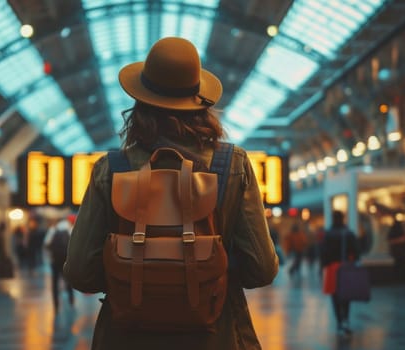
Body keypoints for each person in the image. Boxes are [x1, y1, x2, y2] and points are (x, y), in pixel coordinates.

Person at [62, 37, 279, 350]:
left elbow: (81, 271)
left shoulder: (110, 169)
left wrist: (131, 272)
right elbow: (262, 268)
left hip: (125, 337)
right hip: (215, 336)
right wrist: (207, 270)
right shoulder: (232, 165)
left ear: (139, 101)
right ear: (200, 103)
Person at [320, 210, 360, 337]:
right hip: (346, 266)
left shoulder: (328, 234)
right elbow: (356, 251)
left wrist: (323, 268)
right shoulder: (348, 233)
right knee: (346, 295)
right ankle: (346, 319)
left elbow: (323, 254)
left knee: (335, 295)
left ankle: (338, 320)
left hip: (332, 268)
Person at [44, 216, 74, 312]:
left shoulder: (53, 229)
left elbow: (46, 244)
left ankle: (56, 304)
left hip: (55, 260)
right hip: (66, 260)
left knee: (55, 282)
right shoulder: (70, 229)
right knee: (68, 280)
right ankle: (71, 299)